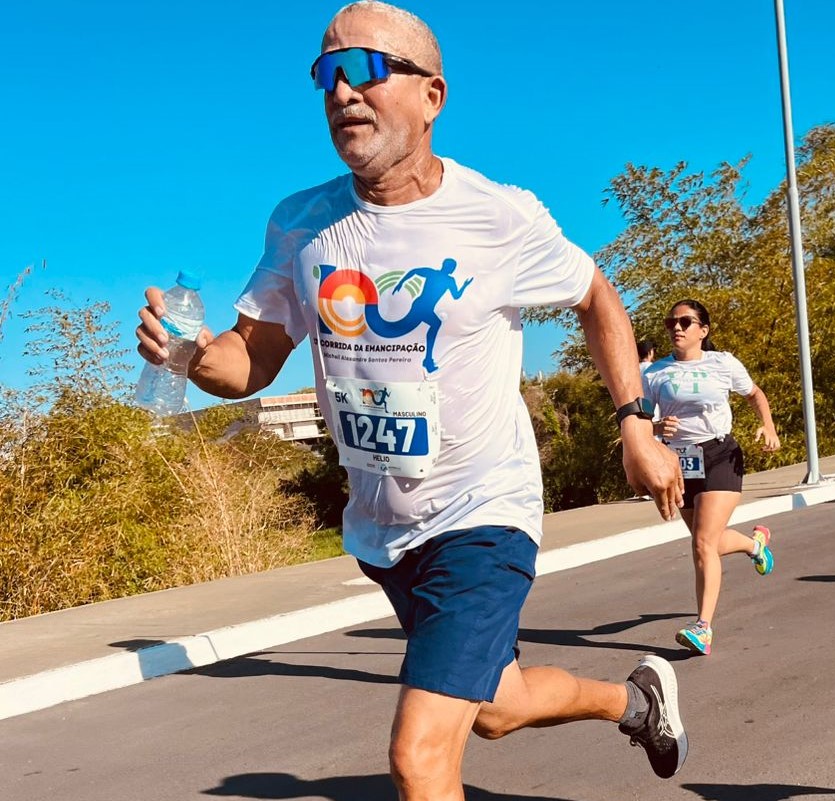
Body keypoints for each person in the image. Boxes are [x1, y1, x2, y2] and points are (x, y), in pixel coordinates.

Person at [136, 3, 688, 798]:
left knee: (421, 757)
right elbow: (249, 361)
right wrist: (187, 354)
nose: (341, 91)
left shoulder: (499, 215)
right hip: (386, 529)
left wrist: (634, 425)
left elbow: (596, 296)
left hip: (482, 510)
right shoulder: (303, 224)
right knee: (497, 708)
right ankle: (635, 702)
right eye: (325, 73)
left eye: (364, 68)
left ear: (432, 95)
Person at [642, 299, 781, 655]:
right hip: (679, 461)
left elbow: (754, 394)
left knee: (703, 544)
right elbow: (639, 420)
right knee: (708, 543)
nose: (676, 327)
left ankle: (702, 628)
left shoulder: (723, 363)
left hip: (720, 454)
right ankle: (754, 545)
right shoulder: (654, 373)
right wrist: (656, 426)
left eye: (685, 322)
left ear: (703, 331)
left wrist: (767, 426)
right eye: (671, 321)